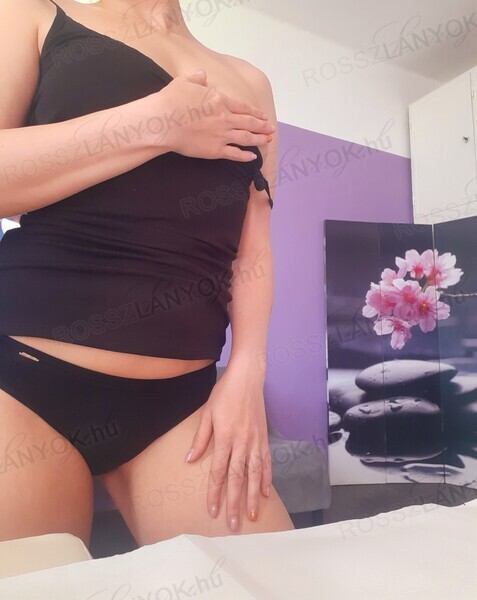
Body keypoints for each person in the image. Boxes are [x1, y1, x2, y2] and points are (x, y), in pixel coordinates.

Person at [0, 0, 295, 548]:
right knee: (33, 581)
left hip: (181, 405)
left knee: (270, 578)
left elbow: (252, 246)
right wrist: (158, 124)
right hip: (21, 379)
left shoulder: (251, 82)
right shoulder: (32, 15)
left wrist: (246, 372)